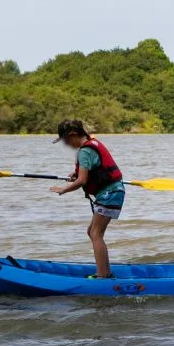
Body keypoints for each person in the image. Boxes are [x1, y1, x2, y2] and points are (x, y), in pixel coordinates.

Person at [49, 119, 124, 279]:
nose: (66, 145)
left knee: (96, 233)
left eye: (66, 140)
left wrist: (64, 189)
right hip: (112, 191)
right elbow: (91, 170)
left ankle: (102, 276)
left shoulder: (84, 151)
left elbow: (82, 181)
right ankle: (106, 272)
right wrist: (76, 174)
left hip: (109, 193)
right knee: (92, 232)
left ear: (73, 134)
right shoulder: (92, 143)